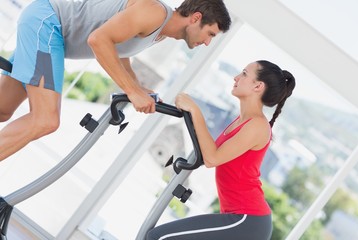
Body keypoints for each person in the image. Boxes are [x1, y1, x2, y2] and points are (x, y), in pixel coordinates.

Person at [0, 0, 231, 161]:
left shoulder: (161, 33)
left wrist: (138, 87)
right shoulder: (155, 12)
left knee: (3, 110)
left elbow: (121, 51)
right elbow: (99, 40)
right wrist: (131, 91)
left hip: (47, 31)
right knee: (46, 119)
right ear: (196, 18)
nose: (208, 42)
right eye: (210, 34)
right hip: (48, 25)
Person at [146, 60, 296, 240]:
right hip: (238, 216)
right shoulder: (241, 121)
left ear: (258, 86)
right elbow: (212, 151)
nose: (236, 77)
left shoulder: (257, 126)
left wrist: (195, 109)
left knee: (158, 237)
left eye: (244, 74)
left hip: (248, 219)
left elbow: (213, 158)